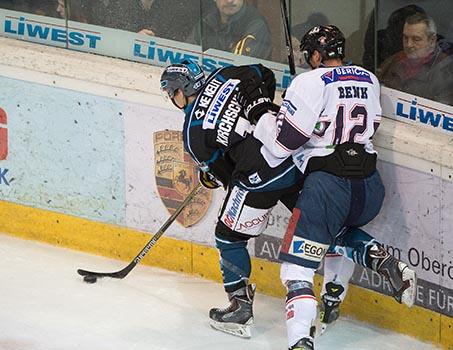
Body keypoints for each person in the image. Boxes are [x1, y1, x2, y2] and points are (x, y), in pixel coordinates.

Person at [249, 25, 417, 349]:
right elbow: (373, 124)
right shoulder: (369, 78)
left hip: (328, 187)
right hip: (369, 186)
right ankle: (372, 266)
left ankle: (300, 342)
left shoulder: (307, 81)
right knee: (337, 236)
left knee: (297, 268)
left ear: (314, 54)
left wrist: (267, 120)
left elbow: (284, 144)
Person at [159, 60, 304, 338]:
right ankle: (377, 258)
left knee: (228, 236)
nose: (172, 99)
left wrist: (211, 173)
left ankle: (239, 307)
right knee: (316, 219)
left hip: (260, 173)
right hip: (293, 151)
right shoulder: (227, 73)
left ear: (180, 92)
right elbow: (264, 75)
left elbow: (227, 176)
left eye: (171, 93)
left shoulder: (192, 134)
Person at [378, 12, 453, 105]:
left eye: (416, 39)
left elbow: (443, 113)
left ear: (432, 40)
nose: (409, 45)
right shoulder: (395, 60)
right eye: (405, 38)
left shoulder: (445, 70)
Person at [186, 0, 272, 60]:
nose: (229, 1)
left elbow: (241, 67)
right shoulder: (206, 21)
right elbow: (187, 54)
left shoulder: (256, 24)